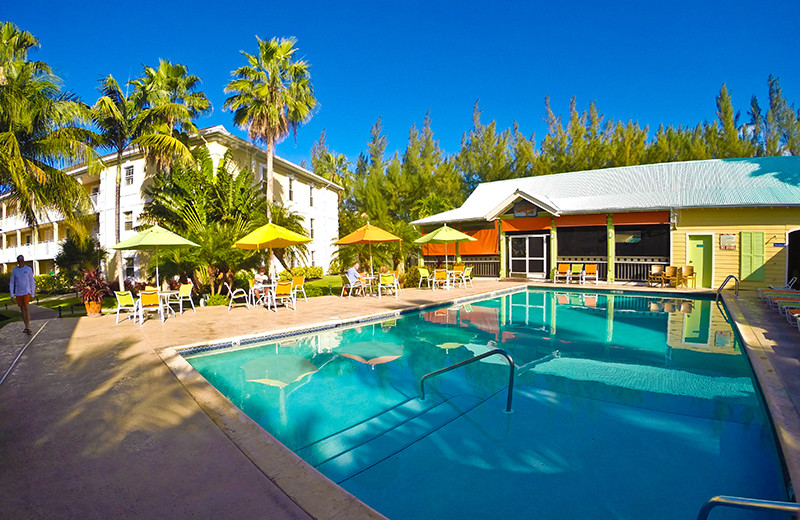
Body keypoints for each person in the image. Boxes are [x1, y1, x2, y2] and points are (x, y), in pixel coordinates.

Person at [9, 255, 35, 335]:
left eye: (22, 261)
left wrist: (32, 293)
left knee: (26, 308)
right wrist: (12, 295)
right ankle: (26, 326)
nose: (21, 262)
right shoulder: (15, 271)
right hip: (18, 292)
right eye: (19, 261)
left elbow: (31, 281)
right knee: (22, 309)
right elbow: (12, 282)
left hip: (26, 291)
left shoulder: (28, 269)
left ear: (24, 261)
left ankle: (28, 326)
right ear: (18, 262)